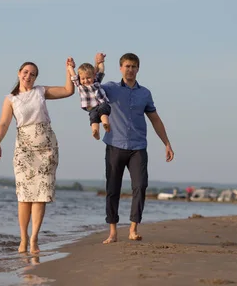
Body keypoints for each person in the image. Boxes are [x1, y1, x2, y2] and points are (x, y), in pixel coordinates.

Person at [0, 58, 75, 254]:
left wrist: (69, 69)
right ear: (19, 73)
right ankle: (22, 238)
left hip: (46, 148)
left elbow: (68, 90)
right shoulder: (11, 99)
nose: (28, 76)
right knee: (24, 197)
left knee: (41, 195)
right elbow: (3, 124)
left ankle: (34, 238)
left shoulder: (40, 92)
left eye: (33, 74)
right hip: (24, 150)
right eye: (25, 72)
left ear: (36, 78)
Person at [96, 52, 175, 244]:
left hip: (138, 147)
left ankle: (133, 228)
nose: (130, 70)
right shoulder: (110, 88)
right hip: (115, 145)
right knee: (112, 189)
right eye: (127, 66)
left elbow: (155, 119)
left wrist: (166, 143)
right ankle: (113, 231)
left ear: (138, 69)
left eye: (133, 66)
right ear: (121, 68)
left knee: (140, 186)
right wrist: (98, 64)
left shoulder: (144, 93)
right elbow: (92, 87)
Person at [67, 59, 111, 140]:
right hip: (91, 107)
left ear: (94, 76)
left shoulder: (96, 81)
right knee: (93, 117)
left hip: (102, 103)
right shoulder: (79, 85)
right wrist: (70, 66)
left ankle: (106, 124)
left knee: (103, 109)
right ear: (79, 78)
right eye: (83, 78)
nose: (86, 80)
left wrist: (101, 62)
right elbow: (73, 75)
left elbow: (101, 70)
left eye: (88, 78)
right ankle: (95, 132)